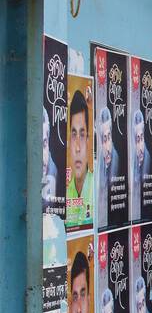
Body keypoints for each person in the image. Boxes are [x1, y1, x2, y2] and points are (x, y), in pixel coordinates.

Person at [65, 90, 93, 229]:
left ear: (88, 140)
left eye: (82, 135)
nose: (77, 148)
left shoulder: (96, 188)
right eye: (73, 134)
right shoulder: (64, 194)